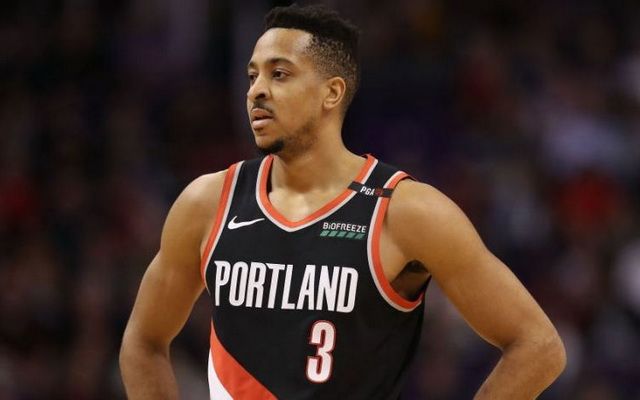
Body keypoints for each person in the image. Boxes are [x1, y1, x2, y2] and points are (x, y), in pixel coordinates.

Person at [120, 4, 566, 399]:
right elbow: (143, 341)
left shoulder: (404, 210)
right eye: (252, 75)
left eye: (279, 74)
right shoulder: (207, 202)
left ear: (331, 93)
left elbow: (539, 346)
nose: (256, 90)